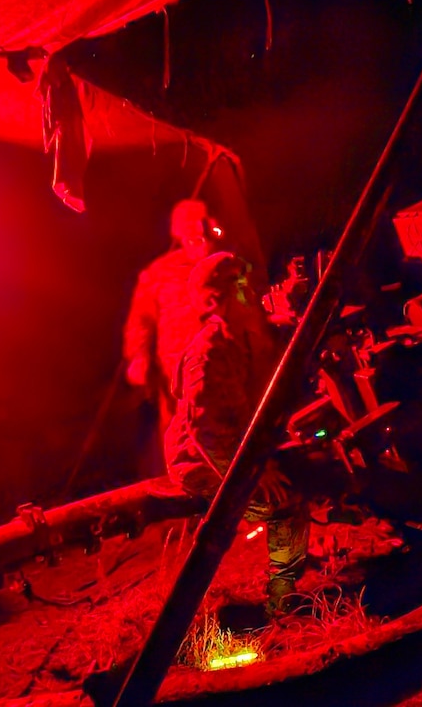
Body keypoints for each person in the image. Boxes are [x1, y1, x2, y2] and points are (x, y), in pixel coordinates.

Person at [165, 251, 308, 617]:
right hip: (200, 463)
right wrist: (254, 474)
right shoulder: (209, 354)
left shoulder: (238, 339)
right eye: (242, 286)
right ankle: (283, 600)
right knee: (285, 504)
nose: (254, 293)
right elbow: (206, 434)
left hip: (228, 451)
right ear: (217, 300)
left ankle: (288, 568)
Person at [121, 199, 226, 432]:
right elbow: (141, 319)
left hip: (226, 368)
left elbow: (250, 311)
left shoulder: (230, 265)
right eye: (188, 225)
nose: (196, 231)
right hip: (177, 371)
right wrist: (138, 357)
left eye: (201, 223)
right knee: (181, 435)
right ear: (178, 233)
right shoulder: (160, 273)